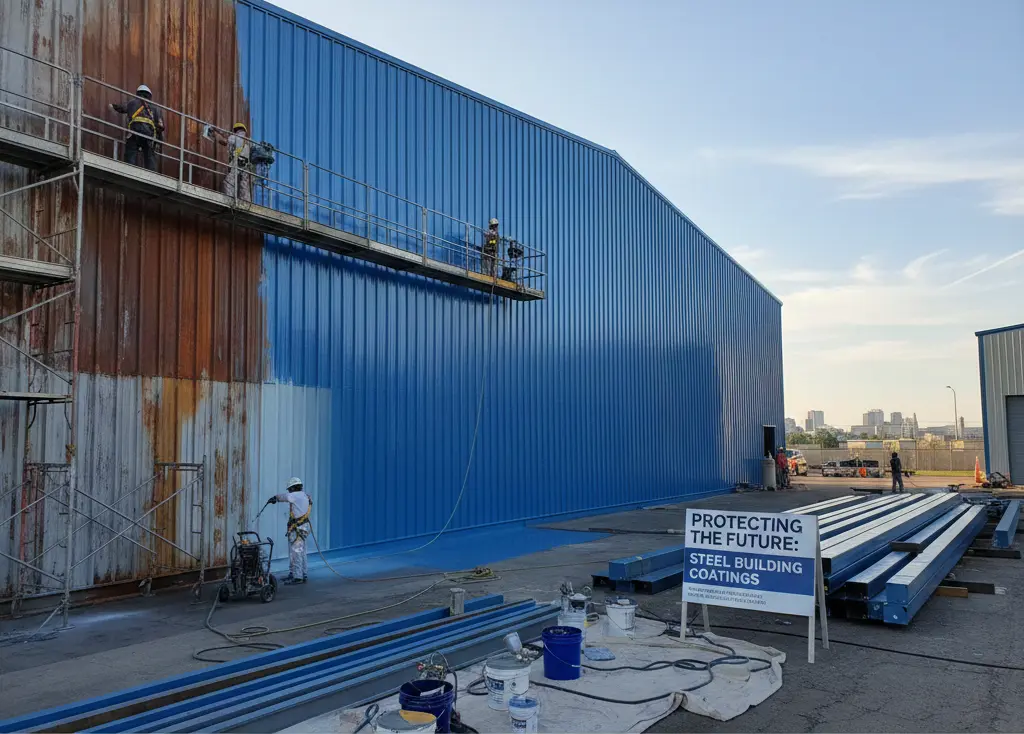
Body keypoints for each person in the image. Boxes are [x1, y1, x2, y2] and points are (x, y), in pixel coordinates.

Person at [110, 84, 164, 171]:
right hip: (149, 135)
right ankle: (152, 173)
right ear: (149, 95)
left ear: (138, 94)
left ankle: (129, 169)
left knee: (131, 151)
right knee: (149, 155)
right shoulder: (155, 108)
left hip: (135, 132)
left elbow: (121, 108)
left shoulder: (132, 103)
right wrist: (159, 142)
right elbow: (161, 127)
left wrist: (112, 106)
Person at [269, 477, 312, 584]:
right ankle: (302, 573)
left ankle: (297, 577)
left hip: (297, 528)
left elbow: (285, 497)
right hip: (303, 527)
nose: (289, 491)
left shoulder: (295, 495)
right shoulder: (305, 495)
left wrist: (275, 498)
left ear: (293, 488)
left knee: (295, 552)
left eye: (290, 489)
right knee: (302, 552)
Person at [208, 122, 252, 202]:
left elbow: (224, 141)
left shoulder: (234, 137)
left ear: (235, 130)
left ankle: (228, 200)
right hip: (246, 166)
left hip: (236, 163)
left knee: (228, 182)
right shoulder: (248, 142)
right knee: (244, 185)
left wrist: (214, 134)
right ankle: (245, 202)